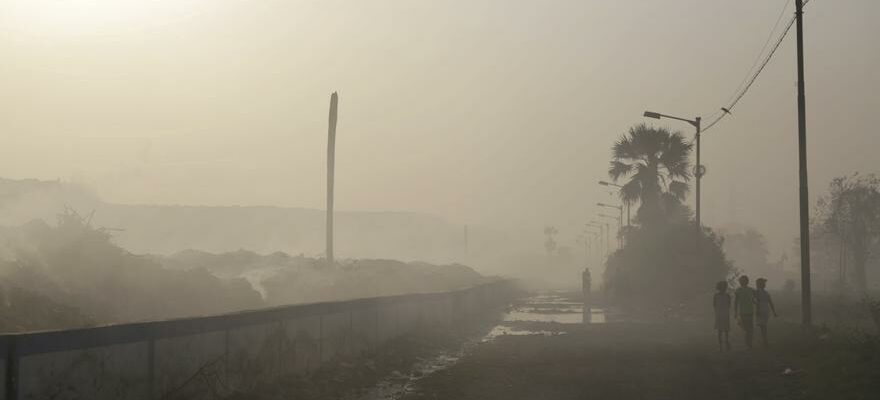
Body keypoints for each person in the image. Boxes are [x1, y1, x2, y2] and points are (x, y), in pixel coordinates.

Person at [734, 275, 756, 349]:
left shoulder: (751, 290)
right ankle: (748, 343)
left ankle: (749, 343)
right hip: (743, 311)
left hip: (749, 311)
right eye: (741, 281)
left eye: (743, 281)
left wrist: (756, 303)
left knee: (749, 329)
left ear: (747, 281)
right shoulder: (738, 290)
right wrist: (735, 311)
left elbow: (753, 299)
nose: (742, 282)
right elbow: (736, 302)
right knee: (747, 328)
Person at [755, 278, 778, 347]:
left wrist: (757, 308)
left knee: (762, 326)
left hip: (760, 308)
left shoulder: (757, 292)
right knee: (763, 325)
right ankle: (764, 340)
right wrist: (774, 312)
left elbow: (757, 301)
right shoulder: (766, 293)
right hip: (766, 309)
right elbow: (770, 302)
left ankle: (764, 340)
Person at [712, 280, 731, 351]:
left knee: (726, 330)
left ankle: (727, 342)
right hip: (719, 314)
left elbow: (729, 304)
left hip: (725, 314)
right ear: (719, 287)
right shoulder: (716, 296)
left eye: (724, 286)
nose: (723, 288)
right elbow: (714, 305)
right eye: (722, 287)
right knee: (720, 331)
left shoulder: (727, 295)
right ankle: (720, 346)